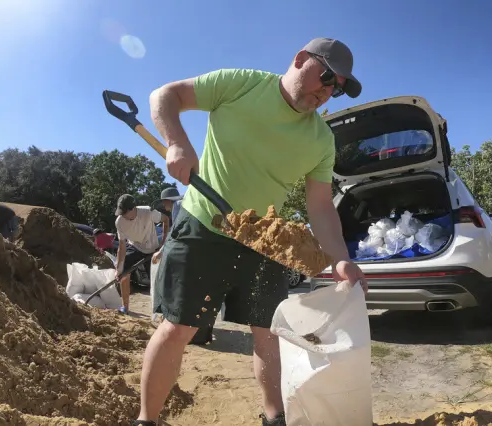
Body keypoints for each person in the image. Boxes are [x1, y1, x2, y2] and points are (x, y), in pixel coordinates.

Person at [134, 37, 367, 426]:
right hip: (204, 226)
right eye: (326, 77)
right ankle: (146, 420)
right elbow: (165, 95)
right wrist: (176, 143)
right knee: (179, 328)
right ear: (300, 59)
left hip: (265, 241)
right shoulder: (241, 84)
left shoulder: (321, 140)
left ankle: (274, 417)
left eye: (338, 87)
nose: (328, 91)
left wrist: (341, 259)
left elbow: (320, 207)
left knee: (268, 333)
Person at [114, 194, 169, 315]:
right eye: (120, 212)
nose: (122, 215)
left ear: (133, 208)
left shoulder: (148, 212)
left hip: (152, 248)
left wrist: (164, 243)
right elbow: (122, 247)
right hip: (134, 247)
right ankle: (125, 306)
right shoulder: (120, 222)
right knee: (124, 273)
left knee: (158, 280)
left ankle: (163, 310)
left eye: (125, 212)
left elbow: (166, 220)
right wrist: (119, 268)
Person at [150, 187, 184, 265]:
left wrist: (161, 251)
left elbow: (175, 232)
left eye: (163, 201)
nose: (163, 204)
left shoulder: (177, 205)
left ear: (168, 201)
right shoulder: (182, 204)